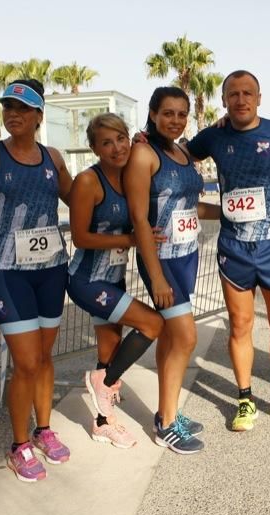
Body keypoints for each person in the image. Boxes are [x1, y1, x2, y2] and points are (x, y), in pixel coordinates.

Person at [184, 70, 270, 431]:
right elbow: (180, 157)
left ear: (259, 97)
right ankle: (245, 399)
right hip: (234, 249)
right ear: (224, 100)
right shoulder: (213, 136)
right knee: (240, 325)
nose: (241, 99)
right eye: (233, 94)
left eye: (247, 93)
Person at [0, 79, 74, 481]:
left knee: (44, 359)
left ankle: (44, 430)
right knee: (26, 362)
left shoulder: (52, 157)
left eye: (23, 109)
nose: (14, 114)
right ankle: (19, 444)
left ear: (38, 117)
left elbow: (77, 196)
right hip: (9, 274)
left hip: (51, 270)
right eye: (8, 108)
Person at [125, 87, 219, 454]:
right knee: (185, 337)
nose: (175, 121)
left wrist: (228, 211)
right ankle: (165, 425)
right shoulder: (142, 153)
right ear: (152, 112)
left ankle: (170, 411)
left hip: (186, 256)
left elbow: (192, 208)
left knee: (170, 338)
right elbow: (138, 216)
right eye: (168, 113)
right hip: (160, 260)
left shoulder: (181, 151)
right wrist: (158, 276)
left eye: (182, 114)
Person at [68, 113, 165, 448]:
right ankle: (104, 382)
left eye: (121, 138)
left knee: (108, 352)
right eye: (106, 143)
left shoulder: (131, 173)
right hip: (87, 281)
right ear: (94, 148)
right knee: (153, 323)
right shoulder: (87, 182)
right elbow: (80, 237)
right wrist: (132, 240)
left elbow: (160, 136)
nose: (116, 148)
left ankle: (102, 422)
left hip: (114, 278)